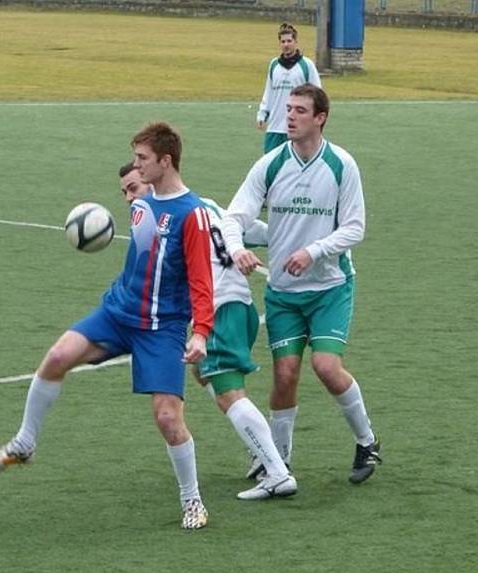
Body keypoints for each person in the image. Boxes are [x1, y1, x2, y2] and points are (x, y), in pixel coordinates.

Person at [0, 123, 215, 530]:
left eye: (142, 159)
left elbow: (201, 280)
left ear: (166, 160)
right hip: (118, 313)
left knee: (167, 418)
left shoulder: (192, 215)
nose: (136, 168)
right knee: (57, 357)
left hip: (162, 328)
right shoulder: (142, 203)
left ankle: (192, 500)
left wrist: (201, 333)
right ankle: (24, 444)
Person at [222, 84, 381, 486]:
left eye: (298, 111)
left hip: (330, 287)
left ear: (320, 118)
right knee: (285, 373)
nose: (289, 117)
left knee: (326, 366)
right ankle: (278, 464)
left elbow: (355, 228)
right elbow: (233, 216)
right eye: (287, 109)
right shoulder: (271, 164)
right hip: (284, 294)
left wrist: (313, 251)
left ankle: (367, 441)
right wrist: (238, 248)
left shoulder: (342, 165)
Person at [121, 163, 297, 500]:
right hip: (240, 308)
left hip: (218, 309)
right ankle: (262, 450)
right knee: (204, 373)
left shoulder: (164, 222)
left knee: (229, 392)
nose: (130, 197)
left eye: (134, 187)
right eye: (126, 192)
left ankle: (276, 471)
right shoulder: (207, 205)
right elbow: (247, 229)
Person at [256, 22, 321, 154]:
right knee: (270, 167)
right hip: (275, 127)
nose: (286, 44)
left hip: (298, 127)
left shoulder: (306, 65)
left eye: (289, 41)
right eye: (283, 41)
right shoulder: (274, 65)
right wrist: (262, 113)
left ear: (296, 42)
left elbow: (317, 94)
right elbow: (269, 91)